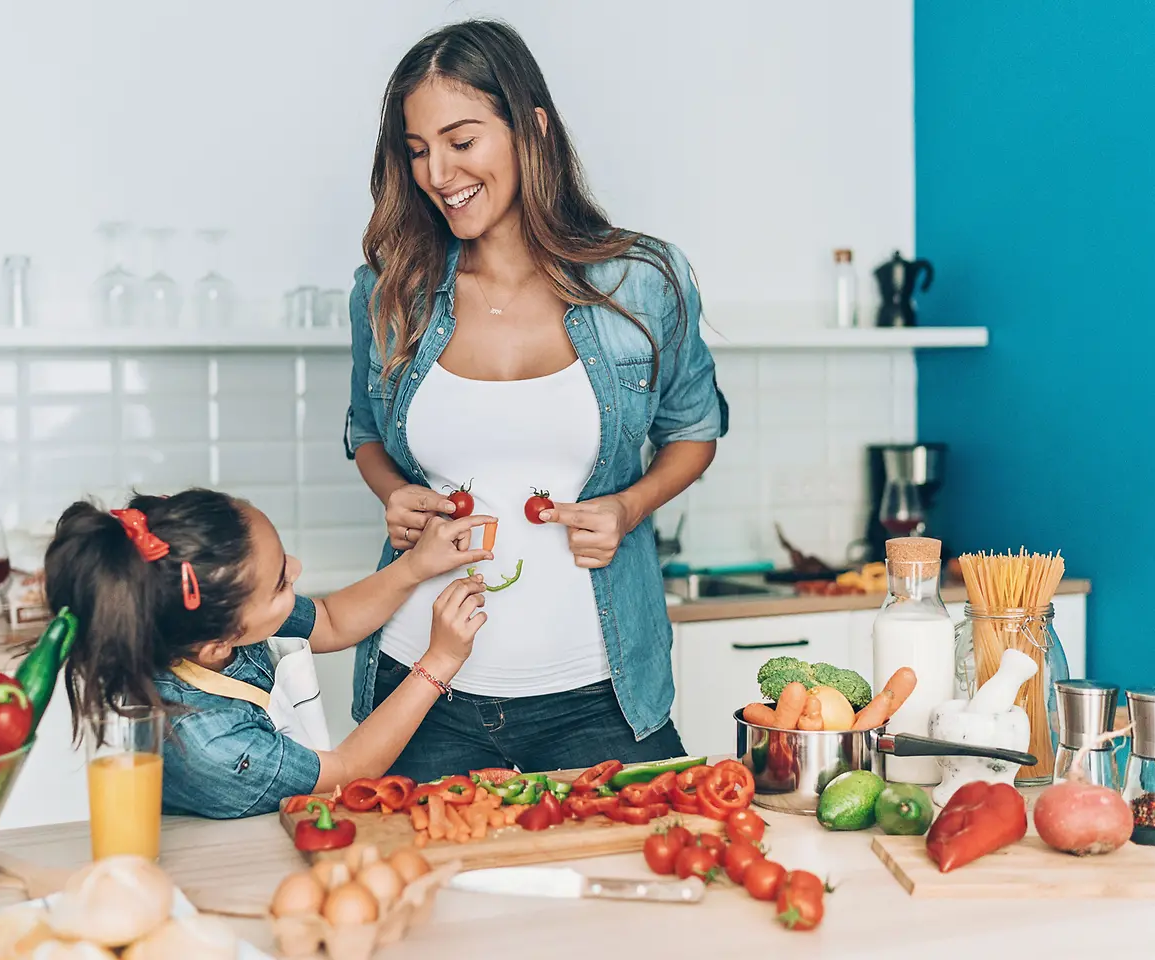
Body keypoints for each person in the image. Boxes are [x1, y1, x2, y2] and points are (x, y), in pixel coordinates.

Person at [344, 19, 729, 780]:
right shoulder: (389, 291)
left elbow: (694, 430)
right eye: (416, 150)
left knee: (651, 854)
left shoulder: (643, 280)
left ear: (532, 129)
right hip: (420, 688)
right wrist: (394, 494)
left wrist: (629, 507)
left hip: (599, 695)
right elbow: (366, 433)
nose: (437, 173)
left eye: (461, 140)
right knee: (408, 865)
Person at [43, 488, 496, 819]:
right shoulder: (211, 743)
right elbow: (348, 769)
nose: (297, 569)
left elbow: (331, 619)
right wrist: (441, 660)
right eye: (282, 581)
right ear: (219, 643)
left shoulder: (209, 614)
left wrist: (416, 565)